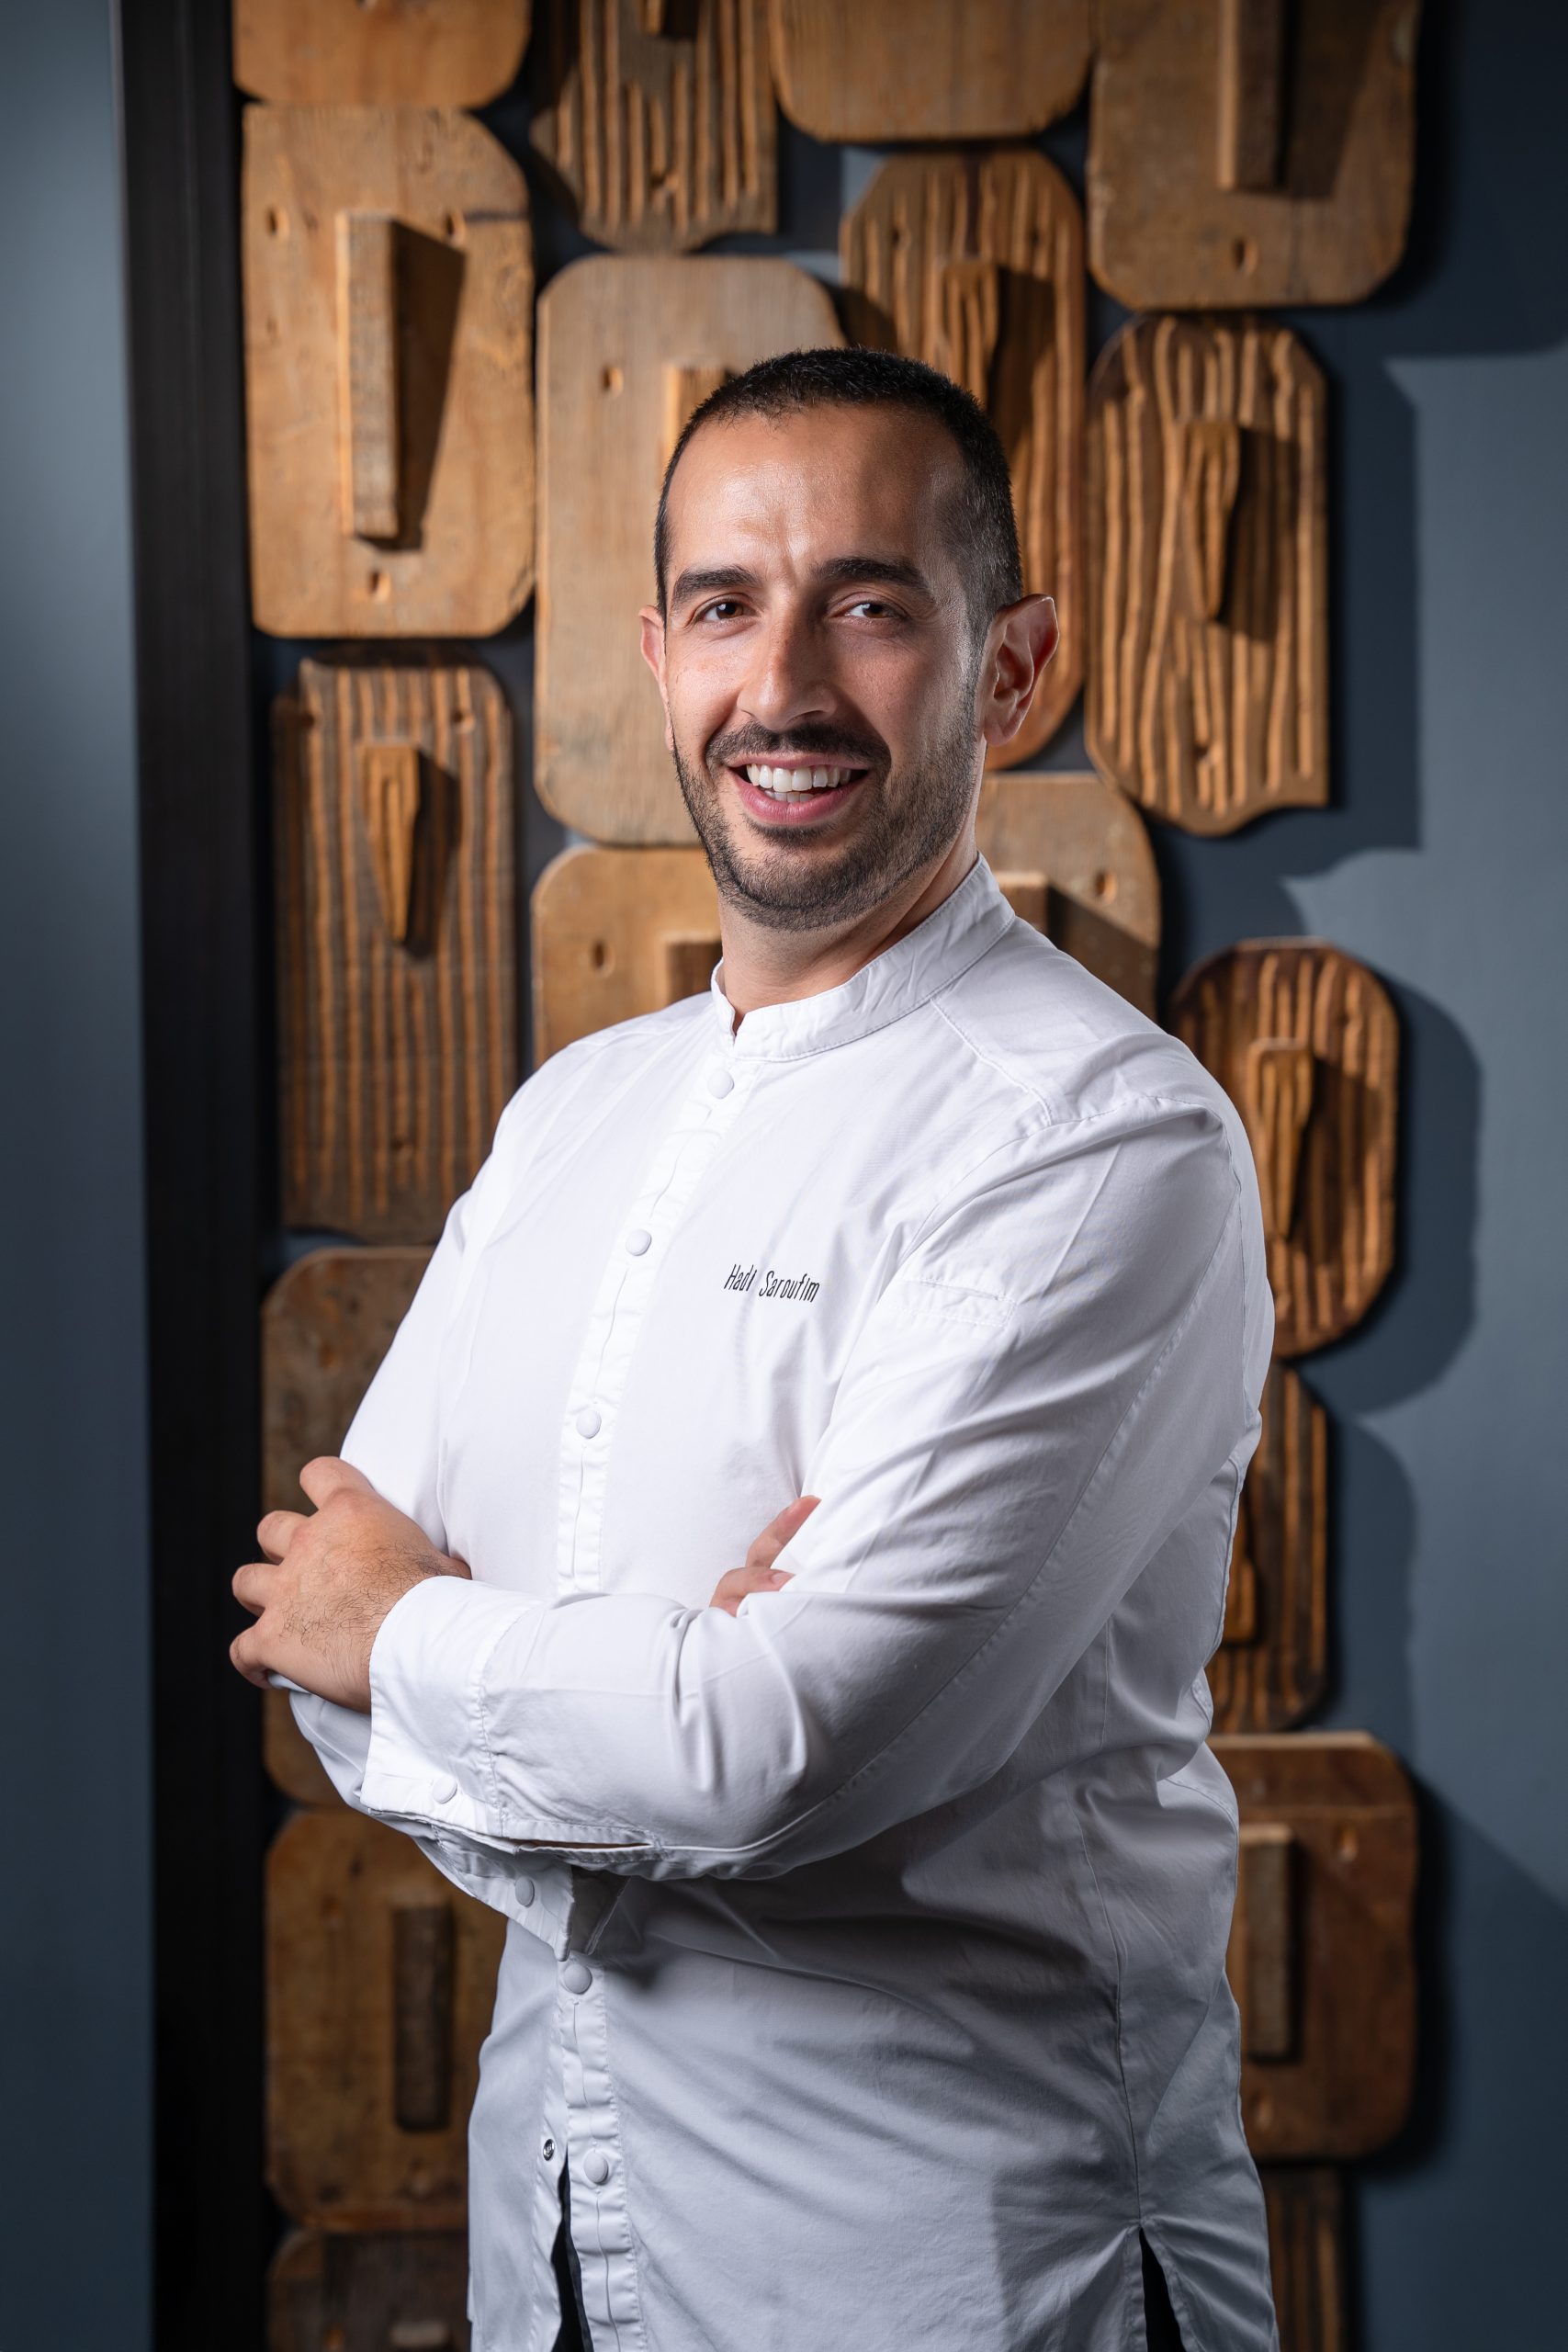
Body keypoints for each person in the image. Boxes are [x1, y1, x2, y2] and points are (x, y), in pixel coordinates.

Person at [231, 348, 1279, 2352]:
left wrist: (446, 1640)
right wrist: (645, 1683)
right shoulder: (571, 1116)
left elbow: (775, 1753)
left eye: (867, 604)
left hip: (952, 2282)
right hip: (556, 2265)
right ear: (658, 661)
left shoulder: (1099, 1140)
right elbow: (318, 1661)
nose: (781, 683)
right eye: (724, 605)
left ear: (1012, 665)